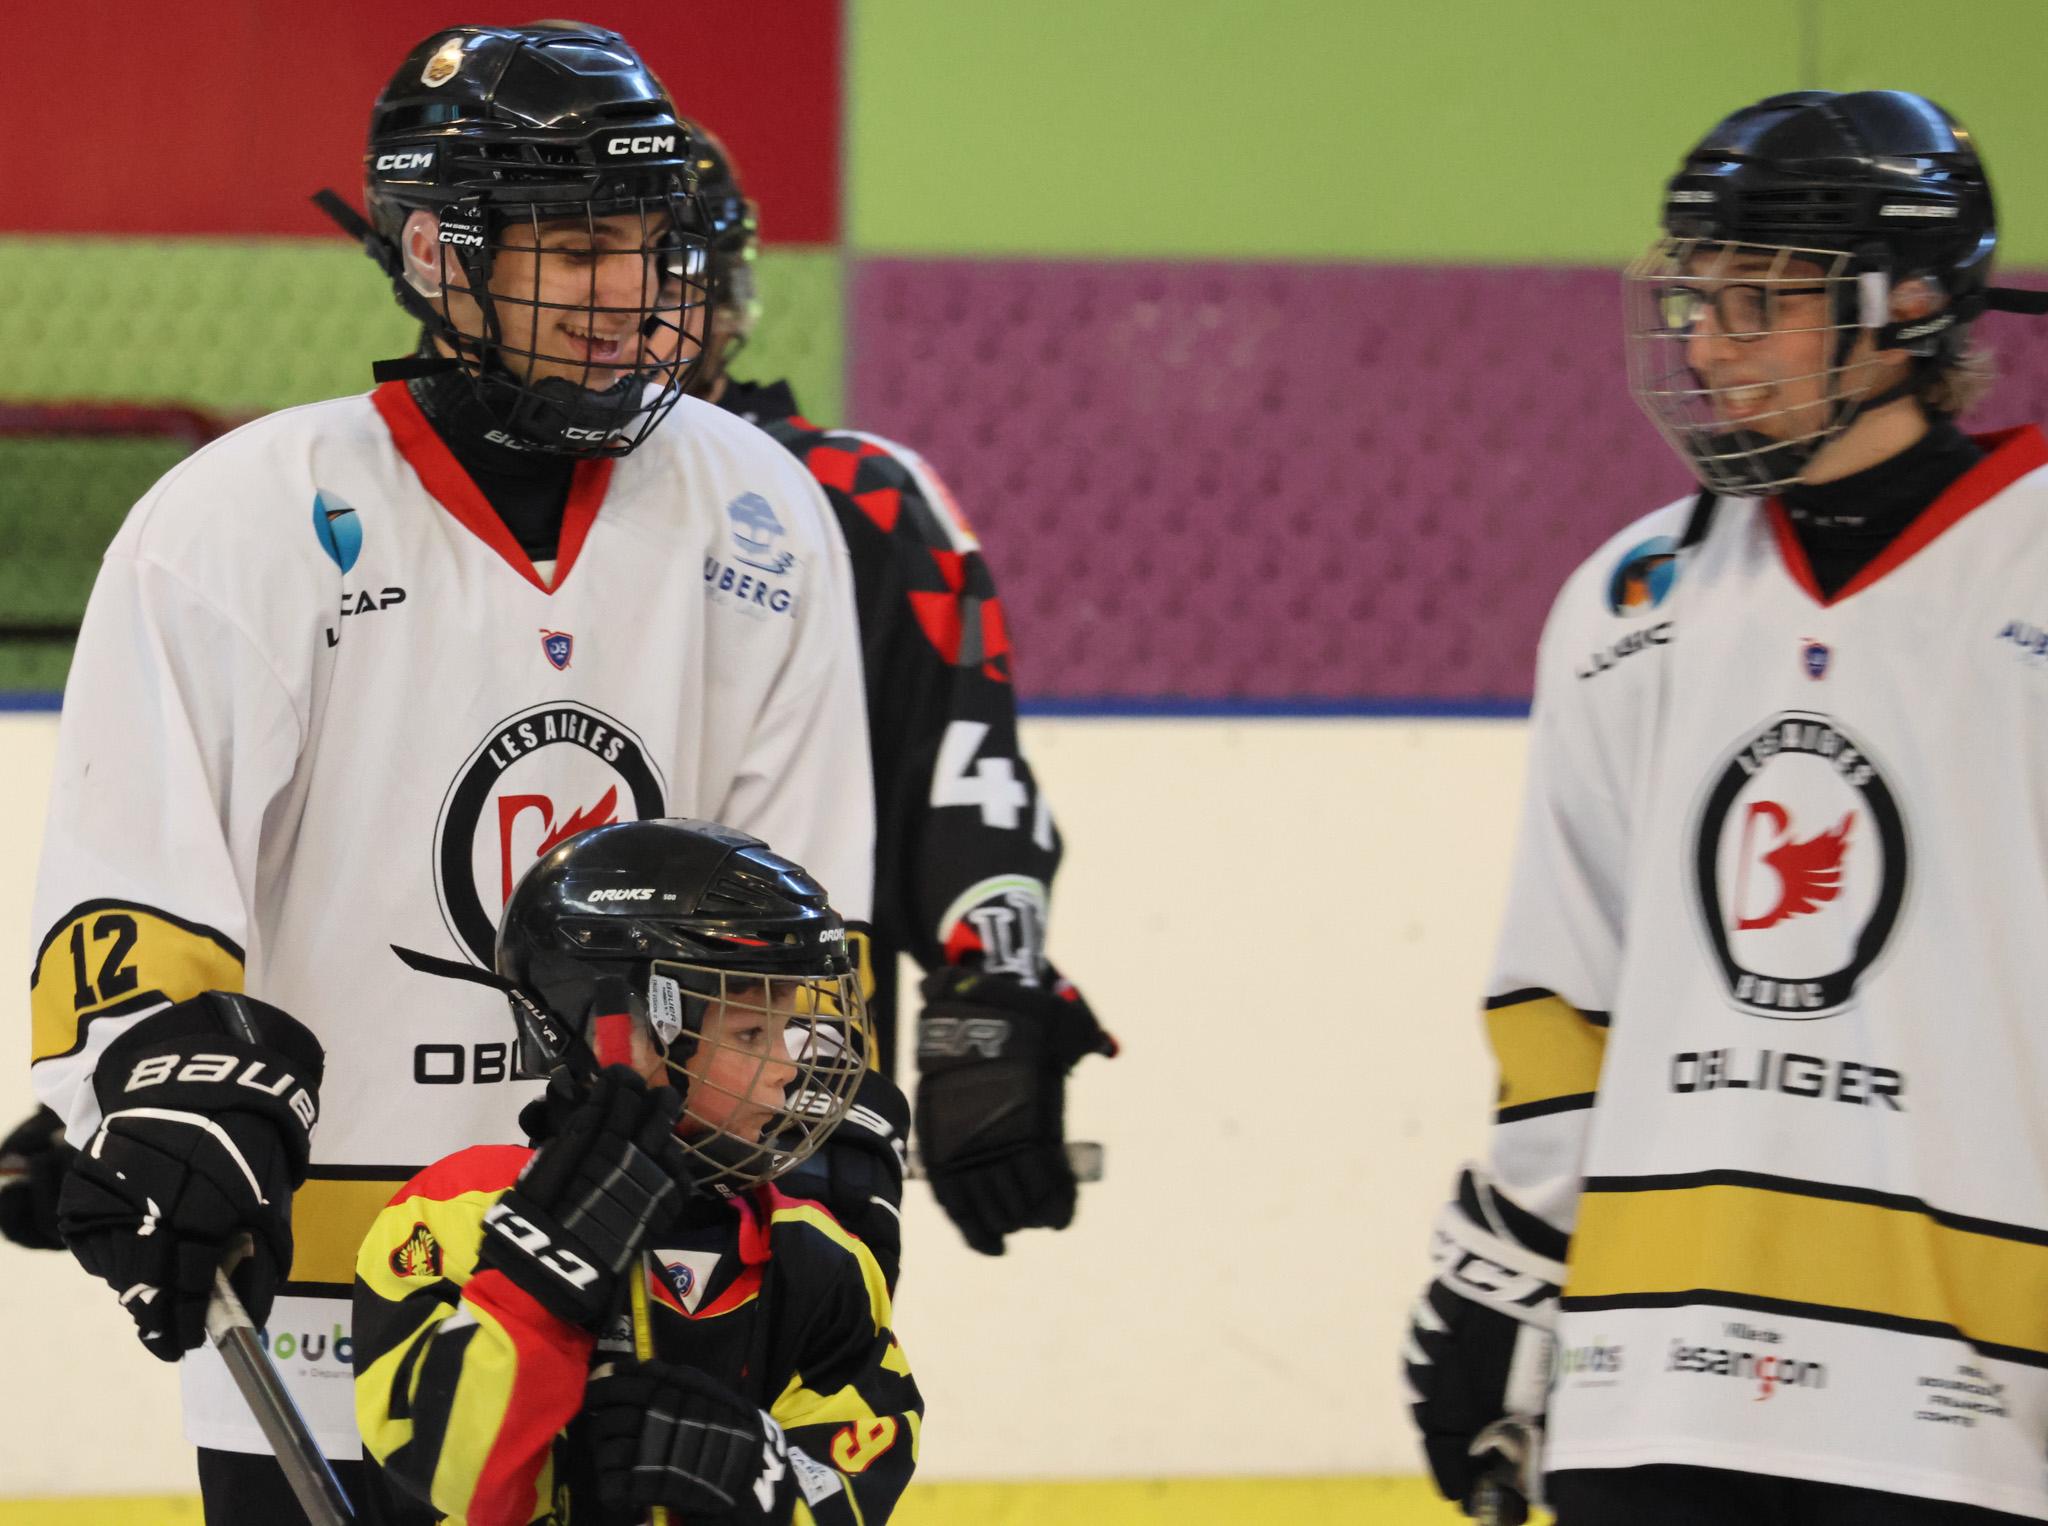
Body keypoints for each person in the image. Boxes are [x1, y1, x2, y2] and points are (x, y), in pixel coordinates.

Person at [30, 22, 872, 1522]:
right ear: (434, 251)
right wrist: (156, 1091)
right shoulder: (241, 517)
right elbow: (133, 888)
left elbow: (805, 918)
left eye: (647, 244)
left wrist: (825, 1201)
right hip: (330, 1280)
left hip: (653, 1264)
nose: (628, 293)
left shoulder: (759, 510)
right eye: (577, 247)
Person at [1404, 90, 2048, 1524]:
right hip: (1653, 1383)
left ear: (1909, 304)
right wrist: (1507, 1260)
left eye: (1762, 300)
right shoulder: (1631, 598)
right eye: (1699, 296)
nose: (1705, 342)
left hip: (1967, 1408)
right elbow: (1562, 987)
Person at [657, 125, 1117, 1263]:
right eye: (584, 257)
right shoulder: (452, 501)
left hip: (785, 1057)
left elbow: (965, 764)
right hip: (488, 1051)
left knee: (791, 1351)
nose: (632, 298)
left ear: (726, 294)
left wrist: (988, 987)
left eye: (668, 266)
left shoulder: (851, 494)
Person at [356, 817, 919, 1526]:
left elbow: (858, 1482)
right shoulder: (454, 1209)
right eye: (751, 1032)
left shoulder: (818, 1255)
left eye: (786, 1030)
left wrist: (754, 1477)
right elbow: (452, 1477)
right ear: (619, 1030)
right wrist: (543, 1273)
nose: (787, 1068)